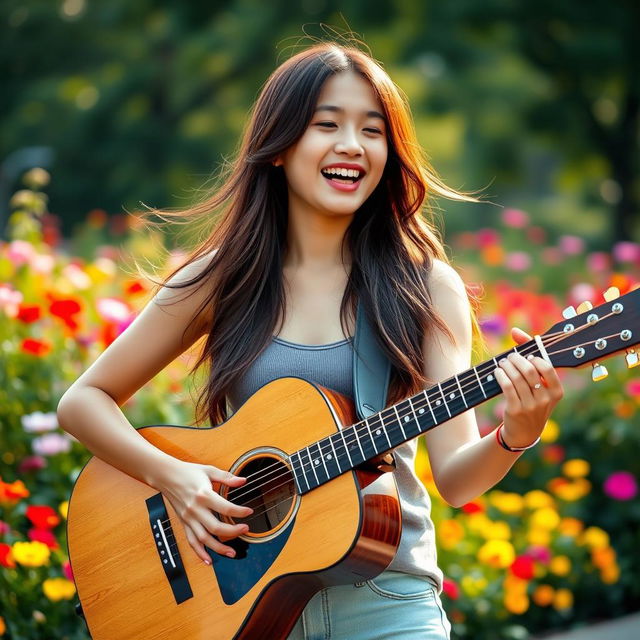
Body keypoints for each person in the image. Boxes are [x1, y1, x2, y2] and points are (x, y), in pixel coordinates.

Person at [57, 40, 564, 640]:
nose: (352, 144)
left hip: (388, 603)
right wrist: (175, 476)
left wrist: (516, 433)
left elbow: (454, 477)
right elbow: (81, 402)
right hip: (240, 609)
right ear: (279, 147)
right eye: (328, 124)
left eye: (372, 131)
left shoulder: (426, 286)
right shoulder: (225, 276)